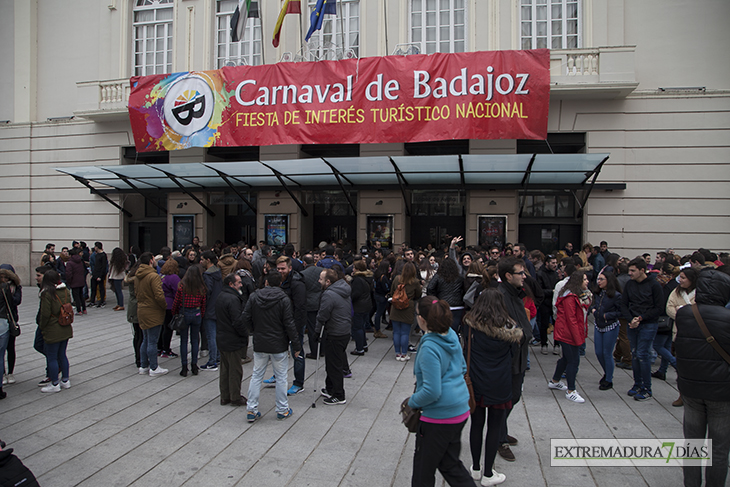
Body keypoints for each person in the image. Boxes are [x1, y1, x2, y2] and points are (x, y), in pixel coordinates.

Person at [408, 296, 475, 487]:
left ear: (422, 319)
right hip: (459, 408)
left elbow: (432, 390)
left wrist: (411, 402)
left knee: (423, 469)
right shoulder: (451, 335)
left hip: (438, 416)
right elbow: (462, 368)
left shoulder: (429, 346)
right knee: (449, 464)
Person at [675, 269, 730, 487]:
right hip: (721, 390)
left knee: (693, 443)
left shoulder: (684, 314)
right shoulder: (727, 318)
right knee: (718, 447)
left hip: (690, 388)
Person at [464, 289, 523, 486]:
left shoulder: (470, 326)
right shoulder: (510, 328)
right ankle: (489, 472)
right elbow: (514, 354)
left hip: (476, 382)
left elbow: (466, 351)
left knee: (476, 425)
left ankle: (475, 468)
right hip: (499, 382)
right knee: (495, 428)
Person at [243, 271, 300, 422]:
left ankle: (251, 408)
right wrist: (296, 344)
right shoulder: (284, 299)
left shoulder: (254, 296)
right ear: (280, 283)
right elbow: (289, 323)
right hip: (278, 342)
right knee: (281, 377)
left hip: (260, 340)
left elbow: (245, 317)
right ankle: (282, 409)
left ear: (266, 282)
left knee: (256, 375)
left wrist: (254, 330)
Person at [495, 258, 533, 462]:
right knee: (506, 399)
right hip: (508, 356)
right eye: (520, 273)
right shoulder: (500, 296)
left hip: (519, 355)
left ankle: (501, 430)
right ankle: (499, 439)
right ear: (508, 276)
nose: (524, 276)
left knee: (514, 396)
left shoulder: (516, 293)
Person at [620, 257, 664, 401]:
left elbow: (658, 308)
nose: (630, 273)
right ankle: (637, 384)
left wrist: (641, 318)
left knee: (642, 354)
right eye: (629, 270)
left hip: (648, 324)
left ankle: (647, 388)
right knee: (634, 354)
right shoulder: (629, 285)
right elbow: (624, 304)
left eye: (633, 271)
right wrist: (631, 318)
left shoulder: (654, 285)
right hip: (633, 323)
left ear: (642, 270)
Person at [548, 271, 591, 403]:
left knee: (567, 358)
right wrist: (578, 339)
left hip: (568, 333)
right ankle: (571, 390)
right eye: (584, 279)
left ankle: (555, 381)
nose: (587, 281)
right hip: (568, 334)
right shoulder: (570, 297)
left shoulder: (574, 295)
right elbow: (571, 319)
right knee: (573, 361)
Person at [315, 268, 352, 405]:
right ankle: (330, 388)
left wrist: (316, 332)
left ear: (328, 281)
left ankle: (338, 394)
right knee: (333, 361)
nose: (319, 281)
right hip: (344, 330)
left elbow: (322, 315)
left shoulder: (329, 294)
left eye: (321, 279)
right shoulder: (343, 289)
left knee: (334, 365)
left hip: (335, 332)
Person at [665, 266, 699, 408]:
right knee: (681, 367)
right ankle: (682, 395)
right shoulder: (676, 291)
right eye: (681, 277)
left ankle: (695, 395)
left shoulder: (700, 293)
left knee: (696, 367)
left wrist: (684, 311)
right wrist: (681, 314)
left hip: (696, 333)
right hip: (679, 331)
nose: (681, 280)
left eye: (684, 278)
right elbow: (669, 307)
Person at [215, 273, 249, 406]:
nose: (241, 285)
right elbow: (237, 321)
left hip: (222, 337)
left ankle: (225, 395)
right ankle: (235, 396)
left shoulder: (221, 296)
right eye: (239, 282)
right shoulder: (233, 299)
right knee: (235, 369)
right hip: (232, 338)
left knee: (225, 368)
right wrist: (244, 334)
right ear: (231, 284)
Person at [38, 270, 73, 393]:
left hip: (53, 327)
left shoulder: (47, 293)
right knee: (62, 354)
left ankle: (54, 383)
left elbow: (45, 314)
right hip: (65, 325)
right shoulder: (65, 290)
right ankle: (65, 380)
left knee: (52, 356)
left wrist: (42, 326)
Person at [134, 253, 168, 377]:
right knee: (152, 341)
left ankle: (143, 366)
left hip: (142, 309)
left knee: (145, 339)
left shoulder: (138, 275)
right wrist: (164, 305)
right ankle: (154, 367)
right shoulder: (153, 276)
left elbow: (136, 292)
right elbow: (159, 295)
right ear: (151, 260)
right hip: (153, 310)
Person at [172, 265, 207, 376]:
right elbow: (203, 303)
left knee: (183, 340)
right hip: (196, 313)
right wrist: (201, 314)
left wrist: (175, 313)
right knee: (195, 340)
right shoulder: (201, 287)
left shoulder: (182, 287)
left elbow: (176, 302)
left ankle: (184, 366)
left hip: (184, 312)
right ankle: (194, 365)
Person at [592, 271, 622, 390]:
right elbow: (594, 305)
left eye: (602, 279)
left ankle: (609, 379)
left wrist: (607, 316)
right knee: (598, 352)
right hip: (598, 324)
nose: (599, 281)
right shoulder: (598, 293)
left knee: (607, 353)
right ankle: (606, 372)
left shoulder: (616, 295)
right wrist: (593, 310)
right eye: (598, 279)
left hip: (610, 325)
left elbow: (620, 311)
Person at [390, 262, 422, 361]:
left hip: (396, 307)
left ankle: (397, 353)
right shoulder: (415, 282)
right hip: (408, 307)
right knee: (405, 332)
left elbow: (392, 292)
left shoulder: (397, 279)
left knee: (396, 332)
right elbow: (418, 295)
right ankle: (404, 354)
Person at [427, 258, 465, 333]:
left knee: (443, 329)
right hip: (458, 306)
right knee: (455, 329)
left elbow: (430, 288)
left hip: (442, 305)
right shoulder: (460, 277)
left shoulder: (438, 276)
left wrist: (435, 300)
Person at [0, 267, 21, 396]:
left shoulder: (14, 287)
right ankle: (2, 375)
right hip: (4, 322)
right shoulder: (5, 288)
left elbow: (16, 302)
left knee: (9, 348)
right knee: (1, 352)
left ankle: (9, 373)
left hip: (9, 320)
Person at [200, 250, 223, 370]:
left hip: (210, 308)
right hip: (218, 306)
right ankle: (217, 357)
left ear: (208, 260)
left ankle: (212, 361)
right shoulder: (218, 272)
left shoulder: (207, 275)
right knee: (216, 334)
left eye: (203, 259)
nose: (201, 261)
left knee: (211, 336)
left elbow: (207, 292)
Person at [536, 255, 560, 355]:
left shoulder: (555, 273)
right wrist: (552, 291)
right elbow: (539, 290)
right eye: (553, 263)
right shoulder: (540, 274)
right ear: (547, 263)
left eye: (555, 263)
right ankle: (544, 344)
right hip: (545, 303)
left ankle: (557, 344)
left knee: (557, 324)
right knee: (544, 324)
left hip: (554, 302)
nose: (555, 265)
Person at [350, 259, 374, 356]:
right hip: (366, 304)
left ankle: (359, 348)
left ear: (358, 269)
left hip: (359, 306)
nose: (353, 269)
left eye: (354, 267)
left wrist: (350, 297)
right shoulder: (368, 278)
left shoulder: (357, 279)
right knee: (362, 326)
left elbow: (355, 294)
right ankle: (363, 345)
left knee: (357, 327)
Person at [159, 259, 181, 358]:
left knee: (162, 327)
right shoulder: (174, 277)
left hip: (161, 304)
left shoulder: (161, 276)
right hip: (170, 304)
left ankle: (159, 347)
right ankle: (166, 349)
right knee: (168, 328)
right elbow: (178, 292)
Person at [125, 261, 143, 369]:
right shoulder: (137, 279)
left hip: (133, 307)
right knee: (140, 335)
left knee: (137, 334)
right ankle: (139, 358)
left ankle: (138, 358)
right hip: (138, 306)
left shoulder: (131, 277)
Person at [65, 248, 87, 315]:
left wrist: (68, 281)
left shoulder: (70, 262)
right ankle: (84, 309)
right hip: (81, 280)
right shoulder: (80, 261)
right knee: (81, 295)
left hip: (74, 281)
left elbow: (68, 273)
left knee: (76, 297)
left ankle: (79, 310)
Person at [89, 242, 108, 308]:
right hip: (95, 273)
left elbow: (103, 266)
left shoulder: (103, 255)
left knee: (101, 288)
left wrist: (100, 276)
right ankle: (92, 301)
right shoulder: (96, 255)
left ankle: (102, 301)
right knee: (93, 288)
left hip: (100, 274)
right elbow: (95, 265)